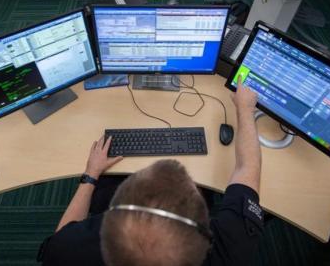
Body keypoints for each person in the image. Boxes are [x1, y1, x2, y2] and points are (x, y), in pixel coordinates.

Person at [38, 78, 263, 266]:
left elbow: (61, 238)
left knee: (106, 182)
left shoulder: (69, 254)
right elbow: (248, 170)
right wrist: (244, 109)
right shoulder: (225, 252)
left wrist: (90, 175)